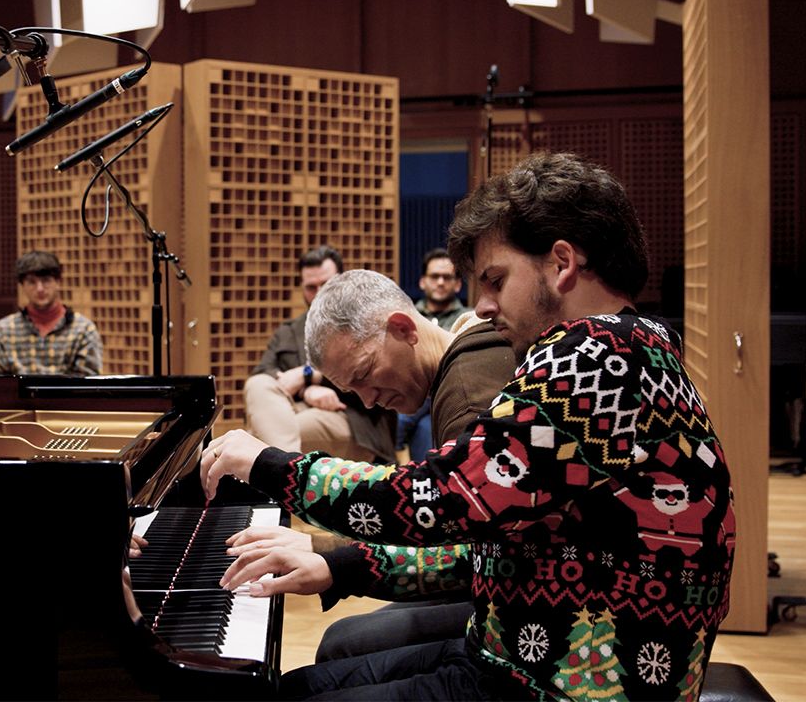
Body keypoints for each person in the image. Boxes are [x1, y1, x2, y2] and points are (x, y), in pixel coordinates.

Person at [201, 152, 735, 701]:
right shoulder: (636, 342)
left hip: (566, 684)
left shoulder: (595, 355)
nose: (481, 307)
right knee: (298, 687)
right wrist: (340, 565)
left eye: (496, 280)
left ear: (562, 263)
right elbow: (493, 539)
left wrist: (268, 463)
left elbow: (441, 497)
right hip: (516, 652)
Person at [228, 306, 515, 663]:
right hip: (487, 572)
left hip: (507, 607)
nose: (367, 399)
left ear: (403, 328)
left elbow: (440, 521)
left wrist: (333, 556)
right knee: (342, 640)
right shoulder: (460, 372)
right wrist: (326, 550)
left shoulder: (466, 392)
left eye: (364, 374)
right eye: (352, 386)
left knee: (341, 647)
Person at [243, 246, 396, 465]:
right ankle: (288, 473)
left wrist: (312, 375)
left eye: (326, 284)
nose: (318, 294)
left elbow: (375, 379)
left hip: (352, 418)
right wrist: (307, 390)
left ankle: (283, 474)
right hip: (296, 408)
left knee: (262, 434)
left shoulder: (365, 324)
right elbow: (264, 371)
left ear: (342, 281)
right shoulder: (288, 331)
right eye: (310, 287)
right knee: (258, 384)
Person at [399, 249, 474, 460]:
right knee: (425, 427)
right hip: (409, 393)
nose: (440, 282)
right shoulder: (404, 317)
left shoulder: (470, 318)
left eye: (447, 277)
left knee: (423, 425)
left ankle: (395, 447)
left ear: (458, 284)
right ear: (423, 282)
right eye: (434, 277)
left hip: (448, 394)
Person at [0, 251, 102, 376]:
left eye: (46, 280)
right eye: (32, 282)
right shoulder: (3, 331)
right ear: (22, 285)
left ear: (58, 282)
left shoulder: (83, 330)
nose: (40, 289)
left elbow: (87, 387)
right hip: (14, 396)